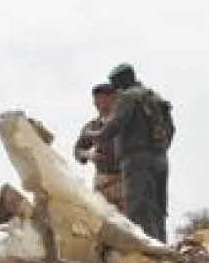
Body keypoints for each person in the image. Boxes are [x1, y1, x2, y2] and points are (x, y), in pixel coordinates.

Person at [96, 62, 174, 242]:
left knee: (138, 209)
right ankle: (162, 249)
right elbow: (171, 128)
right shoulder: (155, 97)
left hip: (136, 160)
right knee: (158, 209)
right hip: (161, 159)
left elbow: (117, 123)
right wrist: (160, 149)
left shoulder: (128, 97)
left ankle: (147, 254)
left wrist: (98, 138)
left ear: (121, 81)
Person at [72, 83, 125, 212]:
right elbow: (77, 151)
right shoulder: (92, 126)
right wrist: (89, 155)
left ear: (112, 98)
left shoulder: (123, 122)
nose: (96, 102)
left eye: (100, 98)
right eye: (95, 99)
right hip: (101, 182)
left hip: (123, 181)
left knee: (128, 224)